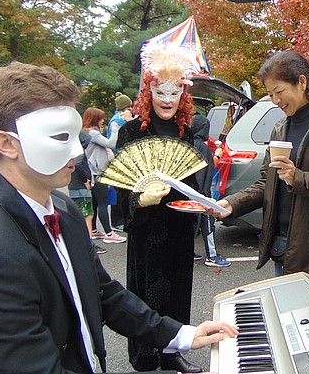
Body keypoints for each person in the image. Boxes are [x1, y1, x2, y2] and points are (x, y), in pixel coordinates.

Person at [0, 61, 237, 374]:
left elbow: (102, 293)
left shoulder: (65, 212)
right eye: (61, 137)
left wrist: (181, 334)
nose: (78, 152)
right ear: (7, 144)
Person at [210, 50, 309, 279]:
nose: (276, 100)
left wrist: (297, 177)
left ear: (301, 82)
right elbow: (266, 183)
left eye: (279, 91)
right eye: (270, 94)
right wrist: (231, 204)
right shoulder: (280, 127)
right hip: (282, 249)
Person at [115, 43, 204, 372]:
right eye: (160, 91)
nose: (167, 99)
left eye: (175, 92)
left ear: (183, 94)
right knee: (148, 295)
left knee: (179, 292)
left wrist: (201, 205)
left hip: (179, 229)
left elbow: (192, 182)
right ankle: (146, 354)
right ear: (148, 91)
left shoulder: (186, 132)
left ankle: (173, 352)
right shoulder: (130, 132)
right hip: (148, 230)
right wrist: (142, 199)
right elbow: (122, 188)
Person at [190, 112, 231, 267]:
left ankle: (189, 252)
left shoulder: (187, 143)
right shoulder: (202, 147)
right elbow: (207, 170)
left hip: (188, 193)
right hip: (201, 194)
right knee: (208, 224)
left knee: (190, 224)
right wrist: (218, 156)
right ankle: (212, 256)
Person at [83, 107, 127, 244]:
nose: (103, 121)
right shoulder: (94, 133)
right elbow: (111, 143)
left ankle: (95, 230)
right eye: (101, 118)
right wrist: (114, 130)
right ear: (95, 119)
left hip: (92, 172)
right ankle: (109, 233)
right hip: (98, 172)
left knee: (96, 203)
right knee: (103, 202)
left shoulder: (86, 132)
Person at [69, 126, 107, 254]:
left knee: (83, 214)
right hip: (80, 185)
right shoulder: (78, 153)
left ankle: (85, 242)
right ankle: (89, 243)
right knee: (87, 215)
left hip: (74, 185)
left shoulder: (71, 151)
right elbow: (80, 165)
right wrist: (86, 179)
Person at [106, 92, 133, 231]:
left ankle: (119, 220)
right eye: (129, 106)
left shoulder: (115, 119)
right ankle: (117, 221)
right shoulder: (119, 120)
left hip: (119, 158)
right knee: (119, 191)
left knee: (120, 190)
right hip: (120, 159)